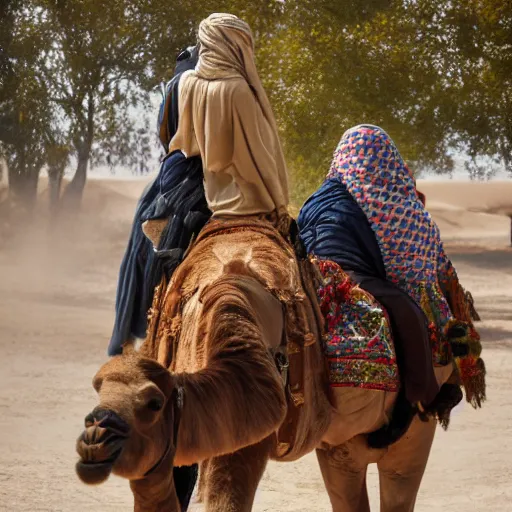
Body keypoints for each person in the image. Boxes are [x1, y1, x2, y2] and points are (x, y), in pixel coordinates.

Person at [298, 125, 484, 419]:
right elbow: (411, 273)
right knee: (414, 312)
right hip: (356, 279)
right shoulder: (390, 201)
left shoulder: (317, 197)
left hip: (310, 281)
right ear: (386, 157)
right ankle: (425, 396)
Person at [108, 47, 211, 357]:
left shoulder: (178, 86)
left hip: (182, 174)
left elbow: (167, 136)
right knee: (155, 244)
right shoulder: (195, 85)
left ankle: (134, 331)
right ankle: (144, 336)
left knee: (144, 251)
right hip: (189, 179)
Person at [170, 13, 289, 228]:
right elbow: (260, 155)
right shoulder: (238, 89)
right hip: (250, 204)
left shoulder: (187, 83)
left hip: (211, 197)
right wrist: (280, 206)